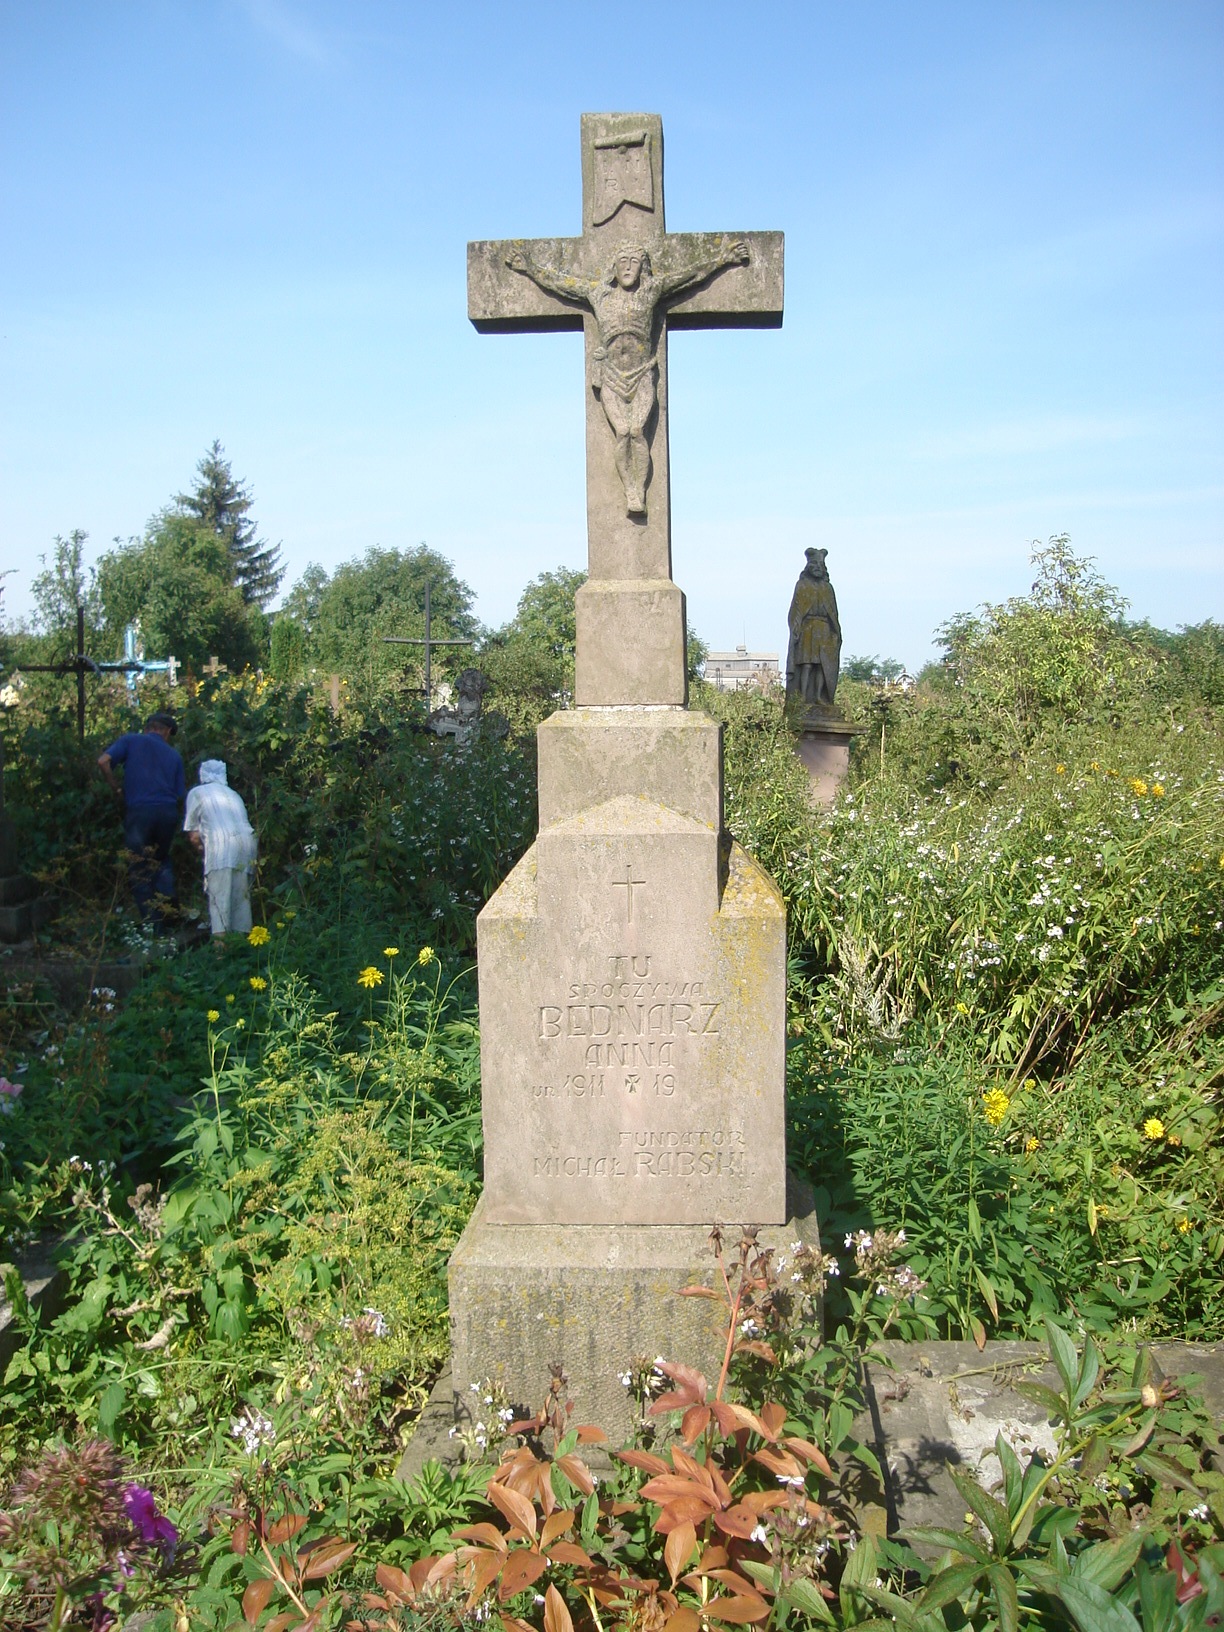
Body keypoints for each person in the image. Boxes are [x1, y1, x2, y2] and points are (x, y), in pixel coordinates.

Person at [505, 237, 750, 515]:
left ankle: (640, 491)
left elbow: (689, 276)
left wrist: (722, 259)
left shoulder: (651, 292)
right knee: (623, 432)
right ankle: (630, 491)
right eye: (623, 261)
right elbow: (561, 284)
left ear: (643, 266)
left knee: (636, 431)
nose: (628, 268)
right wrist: (529, 268)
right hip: (610, 374)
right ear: (614, 267)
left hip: (643, 373)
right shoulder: (599, 294)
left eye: (634, 262)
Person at [98, 712, 186, 927]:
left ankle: (152, 924)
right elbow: (180, 794)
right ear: (165, 732)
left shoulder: (130, 741)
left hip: (140, 813)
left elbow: (103, 761)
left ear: (148, 728)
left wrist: (116, 787)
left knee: (138, 866)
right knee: (161, 862)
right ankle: (170, 920)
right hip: (167, 813)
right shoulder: (174, 755)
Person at [182, 760, 257, 937]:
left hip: (221, 849)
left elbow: (193, 835)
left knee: (220, 906)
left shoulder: (197, 793)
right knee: (241, 905)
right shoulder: (233, 794)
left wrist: (203, 851)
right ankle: (242, 951)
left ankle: (220, 955)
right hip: (247, 847)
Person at [786, 547, 842, 712]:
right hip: (807, 629)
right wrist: (795, 628)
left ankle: (818, 696)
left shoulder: (828, 588)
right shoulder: (802, 585)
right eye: (814, 564)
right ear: (809, 566)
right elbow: (795, 610)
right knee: (807, 664)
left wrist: (836, 632)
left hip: (824, 629)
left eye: (820, 564)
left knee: (821, 666)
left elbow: (834, 612)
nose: (817, 567)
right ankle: (802, 696)